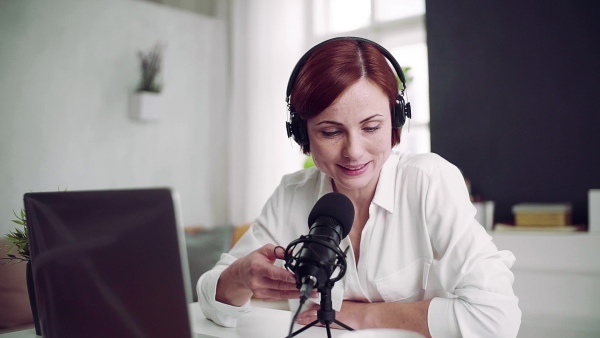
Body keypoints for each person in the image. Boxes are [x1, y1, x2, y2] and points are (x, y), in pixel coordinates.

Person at [197, 37, 521, 338]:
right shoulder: (293, 192)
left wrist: (362, 315)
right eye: (330, 132)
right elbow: (210, 303)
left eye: (371, 127)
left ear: (395, 120)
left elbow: (496, 318)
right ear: (301, 133)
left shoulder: (429, 181)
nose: (354, 151)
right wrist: (237, 279)